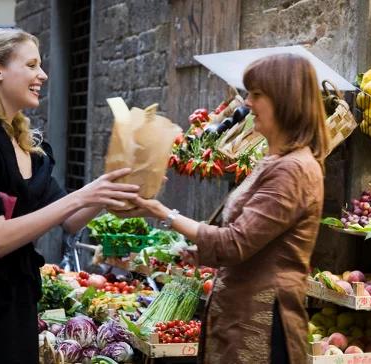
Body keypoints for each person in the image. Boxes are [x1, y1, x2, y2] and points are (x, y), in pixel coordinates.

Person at [0, 28, 140, 364]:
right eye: (32, 65)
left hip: (14, 304)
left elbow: (70, 220)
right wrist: (81, 196)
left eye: (42, 66)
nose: (43, 75)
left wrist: (106, 193)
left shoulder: (32, 150)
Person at [129, 54, 328, 363]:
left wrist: (163, 213)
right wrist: (201, 254)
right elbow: (250, 242)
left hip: (262, 328)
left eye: (257, 94)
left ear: (285, 99)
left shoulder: (294, 170)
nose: (247, 103)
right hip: (240, 320)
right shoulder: (274, 161)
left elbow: (235, 243)